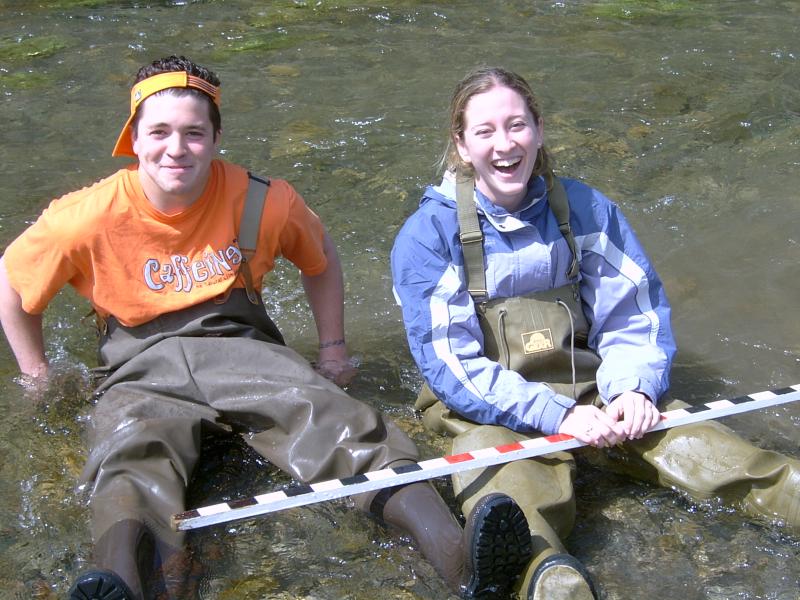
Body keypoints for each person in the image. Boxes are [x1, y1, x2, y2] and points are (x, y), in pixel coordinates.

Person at [0, 56, 535, 600]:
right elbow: (14, 283)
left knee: (338, 422)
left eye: (194, 133)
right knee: (129, 453)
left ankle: (456, 555)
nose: (176, 149)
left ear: (216, 137)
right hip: (138, 369)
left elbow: (320, 257)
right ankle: (116, 580)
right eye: (159, 132)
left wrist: (332, 350)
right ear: (133, 138)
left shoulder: (262, 198)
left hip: (242, 351)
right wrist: (35, 374)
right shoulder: (84, 216)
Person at [390, 66, 800, 600]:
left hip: (595, 392)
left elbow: (634, 314)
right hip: (488, 411)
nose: (505, 144)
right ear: (462, 146)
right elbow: (453, 366)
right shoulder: (428, 237)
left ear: (538, 131)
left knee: (724, 460)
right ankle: (549, 577)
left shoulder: (586, 210)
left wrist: (633, 389)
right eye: (485, 131)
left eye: (517, 125)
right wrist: (556, 416)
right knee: (511, 500)